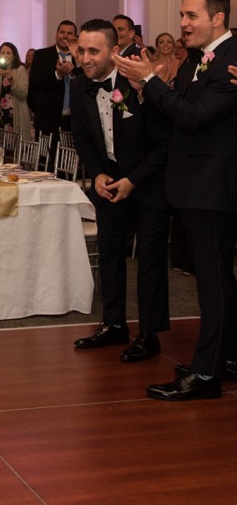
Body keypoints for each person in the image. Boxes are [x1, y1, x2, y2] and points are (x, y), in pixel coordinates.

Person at [114, 0, 237, 400]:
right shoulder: (193, 62)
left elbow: (196, 117)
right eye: (182, 15)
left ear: (217, 18)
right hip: (191, 186)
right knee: (213, 279)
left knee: (214, 284)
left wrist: (150, 79)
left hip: (214, 187)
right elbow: (173, 117)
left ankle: (206, 376)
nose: (182, 23)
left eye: (191, 16)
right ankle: (225, 356)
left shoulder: (232, 61)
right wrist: (143, 91)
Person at [69, 19, 170, 363]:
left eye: (93, 51)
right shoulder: (80, 86)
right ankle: (113, 324)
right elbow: (82, 137)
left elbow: (164, 143)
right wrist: (97, 174)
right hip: (110, 181)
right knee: (110, 252)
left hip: (149, 183)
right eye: (81, 50)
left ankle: (150, 334)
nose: (84, 58)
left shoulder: (137, 84)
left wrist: (134, 181)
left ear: (113, 51)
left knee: (149, 262)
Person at [28, 20, 79, 144]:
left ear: (75, 37)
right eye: (62, 32)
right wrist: (57, 74)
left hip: (74, 121)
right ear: (56, 34)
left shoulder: (80, 57)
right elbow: (35, 82)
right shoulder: (42, 55)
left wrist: (74, 72)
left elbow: (88, 82)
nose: (65, 36)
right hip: (47, 120)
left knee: (70, 161)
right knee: (46, 161)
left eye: (69, 33)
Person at [0, 41, 32, 139]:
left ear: (14, 56)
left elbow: (23, 94)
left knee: (14, 145)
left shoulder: (20, 69)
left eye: (8, 53)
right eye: (3, 53)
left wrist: (12, 80)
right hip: (0, 112)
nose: (5, 55)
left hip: (16, 113)